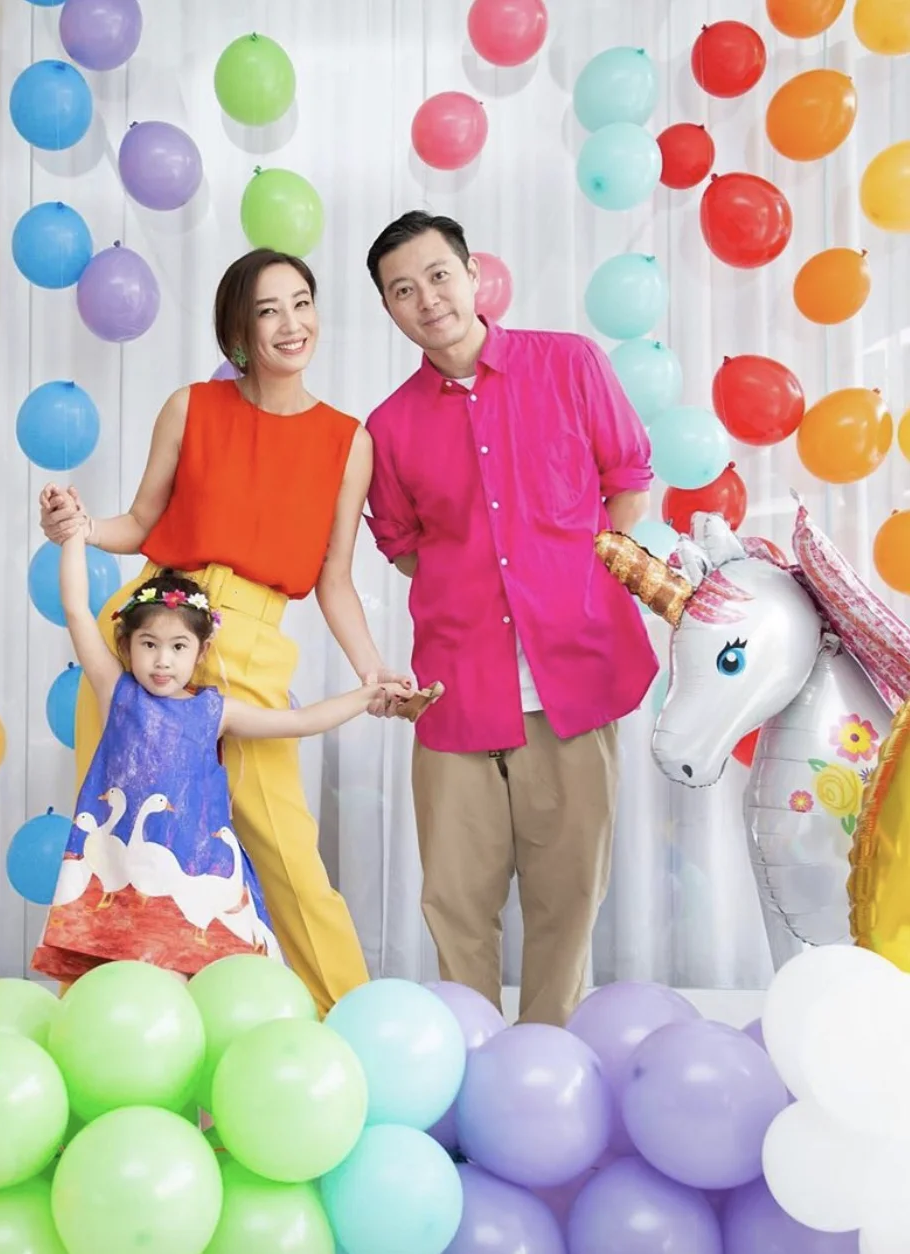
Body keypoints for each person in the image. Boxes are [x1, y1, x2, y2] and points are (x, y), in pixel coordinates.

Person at [39, 247, 429, 1012]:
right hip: (148, 632)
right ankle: (106, 1025)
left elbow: (335, 578)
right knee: (116, 842)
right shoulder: (190, 408)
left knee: (287, 853)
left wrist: (373, 672)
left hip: (250, 643)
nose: (291, 323)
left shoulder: (347, 442)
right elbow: (139, 522)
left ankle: (352, 1025)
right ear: (239, 332)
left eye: (302, 303)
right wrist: (78, 527)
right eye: (267, 310)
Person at [362, 210, 657, 1026]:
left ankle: (548, 1060)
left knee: (569, 896)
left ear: (472, 274)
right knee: (455, 899)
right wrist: (479, 592)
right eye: (403, 291)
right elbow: (402, 545)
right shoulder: (389, 426)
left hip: (574, 675)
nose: (427, 299)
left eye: (438, 276)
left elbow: (628, 481)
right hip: (457, 689)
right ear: (388, 309)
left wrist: (570, 584)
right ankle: (470, 1055)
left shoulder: (569, 363)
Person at [32, 523, 414, 983]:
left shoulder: (214, 712)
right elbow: (76, 609)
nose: (162, 660)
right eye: (149, 645)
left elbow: (300, 722)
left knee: (196, 981)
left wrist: (366, 696)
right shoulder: (116, 692)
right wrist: (75, 532)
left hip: (191, 872)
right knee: (129, 981)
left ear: (201, 652)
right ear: (126, 646)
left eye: (178, 647)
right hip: (125, 871)